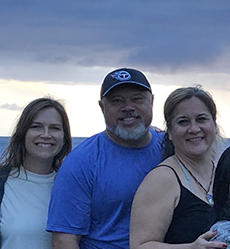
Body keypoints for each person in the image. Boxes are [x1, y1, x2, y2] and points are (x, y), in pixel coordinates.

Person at [47, 68, 165, 249]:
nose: (128, 107)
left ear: (152, 101)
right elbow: (64, 239)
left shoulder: (171, 147)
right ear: (102, 107)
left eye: (137, 99)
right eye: (117, 101)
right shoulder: (81, 162)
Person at [130, 86, 228, 249]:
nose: (194, 128)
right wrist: (190, 248)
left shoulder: (223, 173)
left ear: (215, 126)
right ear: (169, 132)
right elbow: (139, 246)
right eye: (183, 122)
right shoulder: (162, 180)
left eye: (201, 119)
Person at [0, 98, 73, 249]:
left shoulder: (74, 186)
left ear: (64, 137)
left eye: (54, 128)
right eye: (36, 127)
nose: (46, 135)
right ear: (23, 133)